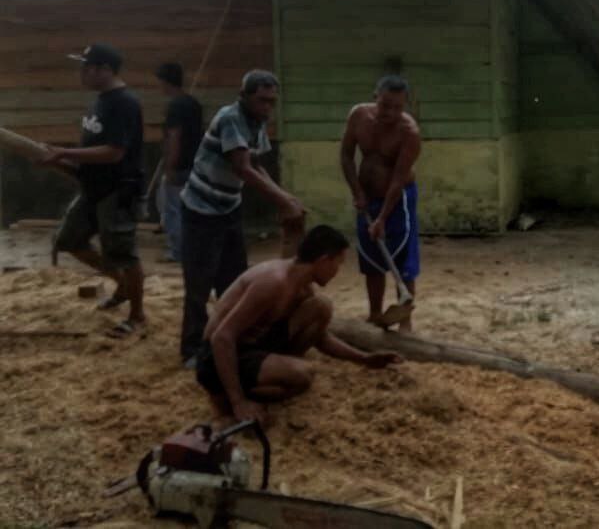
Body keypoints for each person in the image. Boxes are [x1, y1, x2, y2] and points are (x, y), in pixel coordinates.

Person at [196, 225, 402, 425]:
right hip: (217, 357)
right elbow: (222, 337)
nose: (337, 271)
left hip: (253, 347)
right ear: (323, 260)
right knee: (302, 374)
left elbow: (321, 337)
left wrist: (364, 359)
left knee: (321, 307)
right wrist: (238, 401)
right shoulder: (273, 282)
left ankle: (266, 376)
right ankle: (228, 395)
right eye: (338, 264)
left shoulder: (302, 285)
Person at [179, 70, 305, 368]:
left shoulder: (256, 121)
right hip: (201, 209)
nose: (267, 108)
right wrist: (281, 201)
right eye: (262, 101)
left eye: (271, 102)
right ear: (244, 96)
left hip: (228, 208)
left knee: (234, 280)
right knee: (199, 284)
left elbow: (257, 164)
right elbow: (242, 168)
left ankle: (229, 338)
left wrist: (284, 197)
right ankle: (191, 349)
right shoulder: (231, 117)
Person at [43, 43, 146, 338]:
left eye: (86, 68)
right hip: (93, 188)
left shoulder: (124, 103)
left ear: (105, 70)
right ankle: (121, 285)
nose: (81, 73)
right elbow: (95, 146)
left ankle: (137, 316)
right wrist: (66, 163)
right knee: (68, 240)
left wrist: (64, 153)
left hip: (118, 191)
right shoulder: (100, 100)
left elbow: (115, 153)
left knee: (125, 255)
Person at [339, 75, 422, 331]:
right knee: (371, 257)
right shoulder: (358, 116)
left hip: (398, 201)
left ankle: (405, 319)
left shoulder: (409, 133)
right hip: (367, 198)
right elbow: (346, 154)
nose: (391, 112)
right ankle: (375, 315)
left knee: (403, 258)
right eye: (386, 105)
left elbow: (397, 180)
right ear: (376, 97)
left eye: (398, 107)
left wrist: (383, 218)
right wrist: (357, 192)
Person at [155, 62, 203, 263]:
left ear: (166, 82)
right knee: (190, 209)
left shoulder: (175, 106)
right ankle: (192, 248)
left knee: (173, 209)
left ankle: (178, 252)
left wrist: (170, 166)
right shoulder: (193, 103)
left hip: (180, 165)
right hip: (196, 164)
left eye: (160, 82)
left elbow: (175, 137)